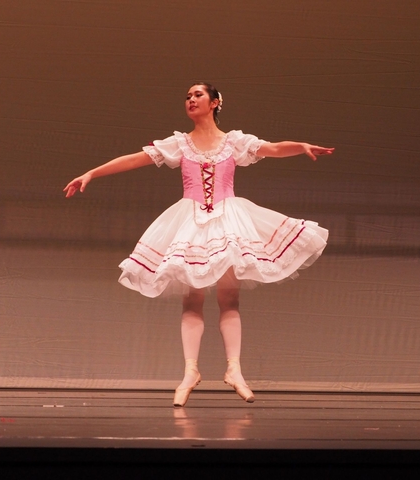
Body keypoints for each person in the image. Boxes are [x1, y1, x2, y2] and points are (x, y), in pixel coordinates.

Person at [64, 82, 333, 407]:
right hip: (191, 222)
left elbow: (273, 148)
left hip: (227, 220)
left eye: (198, 95)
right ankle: (190, 371)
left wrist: (300, 146)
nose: (191, 100)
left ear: (215, 102)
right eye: (188, 96)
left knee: (228, 298)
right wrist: (91, 174)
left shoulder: (234, 142)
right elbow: (135, 159)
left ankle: (234, 369)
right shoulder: (180, 143)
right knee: (192, 299)